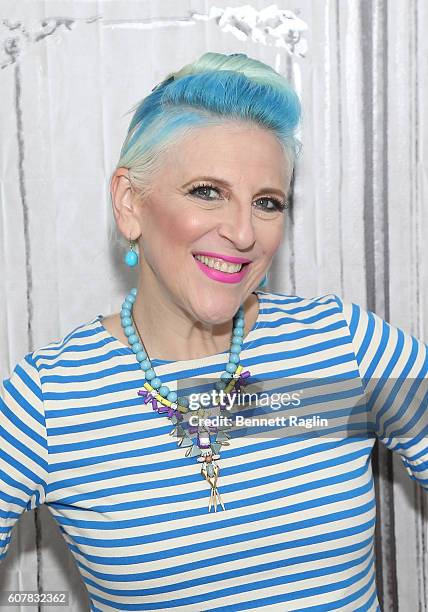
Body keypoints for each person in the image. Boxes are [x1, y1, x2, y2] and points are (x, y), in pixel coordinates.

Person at [0, 51, 427, 611]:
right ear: (131, 204)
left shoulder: (343, 346)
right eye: (208, 191)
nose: (244, 233)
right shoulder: (51, 399)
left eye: (267, 202)